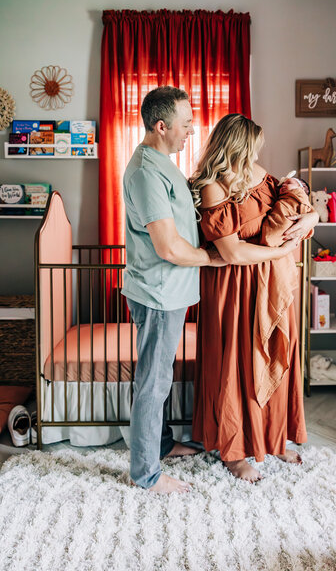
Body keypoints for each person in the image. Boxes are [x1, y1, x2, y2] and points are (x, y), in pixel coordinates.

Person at [190, 113, 318, 482]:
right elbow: (231, 252)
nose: (257, 153)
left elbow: (302, 203)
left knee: (275, 357)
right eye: (252, 146)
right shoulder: (214, 186)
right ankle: (234, 450)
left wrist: (311, 220)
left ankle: (274, 437)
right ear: (237, 146)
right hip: (233, 286)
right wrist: (280, 252)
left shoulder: (262, 176)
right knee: (236, 367)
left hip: (270, 284)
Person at [122, 86, 225, 494]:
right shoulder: (147, 171)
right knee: (154, 381)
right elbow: (167, 246)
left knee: (159, 376)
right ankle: (145, 474)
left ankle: (161, 445)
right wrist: (213, 257)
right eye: (185, 124)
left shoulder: (163, 164)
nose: (191, 131)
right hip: (158, 293)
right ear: (161, 126)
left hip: (170, 292)